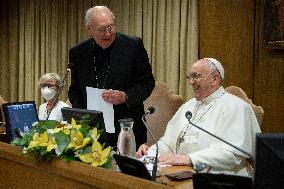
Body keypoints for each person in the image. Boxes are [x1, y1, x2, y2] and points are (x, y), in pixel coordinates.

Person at [137, 58, 261, 175]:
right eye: (190, 77)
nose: (191, 82)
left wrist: (188, 159)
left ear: (215, 79)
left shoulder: (237, 107)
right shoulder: (188, 107)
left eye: (197, 76)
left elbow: (233, 155)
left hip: (222, 179)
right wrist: (152, 152)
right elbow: (168, 143)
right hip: (181, 173)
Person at [68, 6, 155, 148]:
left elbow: (147, 82)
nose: (108, 34)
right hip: (93, 130)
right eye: (102, 29)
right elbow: (75, 90)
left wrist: (126, 96)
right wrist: (85, 116)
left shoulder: (133, 46)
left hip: (127, 127)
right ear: (89, 29)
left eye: (111, 27)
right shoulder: (78, 53)